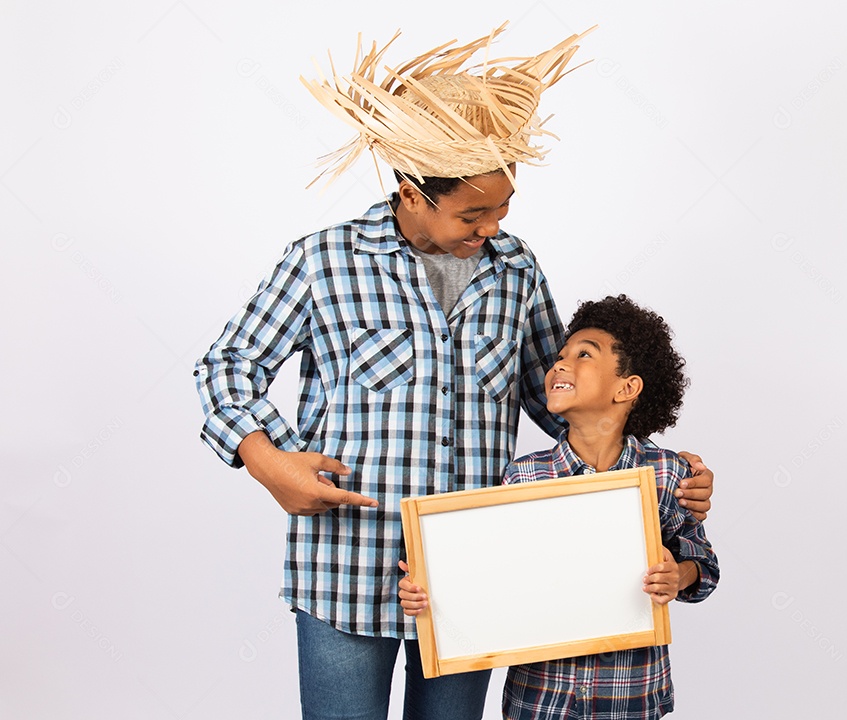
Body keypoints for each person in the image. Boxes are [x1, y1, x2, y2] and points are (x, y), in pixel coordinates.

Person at [194, 25, 714, 720]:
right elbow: (229, 364)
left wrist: (659, 466)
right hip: (346, 566)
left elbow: (553, 390)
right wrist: (267, 461)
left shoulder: (515, 269)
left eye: (503, 208)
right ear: (412, 193)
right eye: (474, 213)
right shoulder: (323, 261)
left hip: (478, 583)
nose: (492, 227)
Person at [399, 294, 719, 719]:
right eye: (560, 356)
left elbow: (705, 564)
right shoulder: (523, 477)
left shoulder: (667, 474)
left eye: (584, 355)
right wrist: (434, 596)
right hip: (541, 699)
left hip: (632, 697)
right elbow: (496, 579)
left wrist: (678, 575)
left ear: (628, 387)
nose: (560, 365)